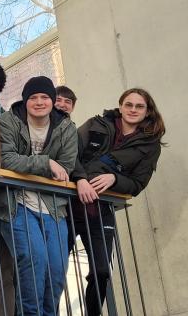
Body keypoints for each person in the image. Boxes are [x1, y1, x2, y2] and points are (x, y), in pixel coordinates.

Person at [69, 88, 165, 316]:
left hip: (100, 211)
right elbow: (69, 152)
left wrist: (115, 179)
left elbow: (137, 183)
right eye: (128, 104)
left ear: (147, 111)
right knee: (52, 267)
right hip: (68, 204)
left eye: (139, 106)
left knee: (102, 271)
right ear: (120, 106)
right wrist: (80, 178)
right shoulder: (96, 124)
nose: (133, 110)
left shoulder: (150, 145)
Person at [0, 76, 78, 316]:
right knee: (33, 260)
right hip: (15, 203)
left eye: (44, 97)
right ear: (25, 100)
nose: (39, 102)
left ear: (52, 101)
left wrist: (43, 166)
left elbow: (67, 166)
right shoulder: (8, 121)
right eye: (33, 97)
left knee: (56, 270)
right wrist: (47, 163)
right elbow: (7, 159)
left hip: (53, 206)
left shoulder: (66, 127)